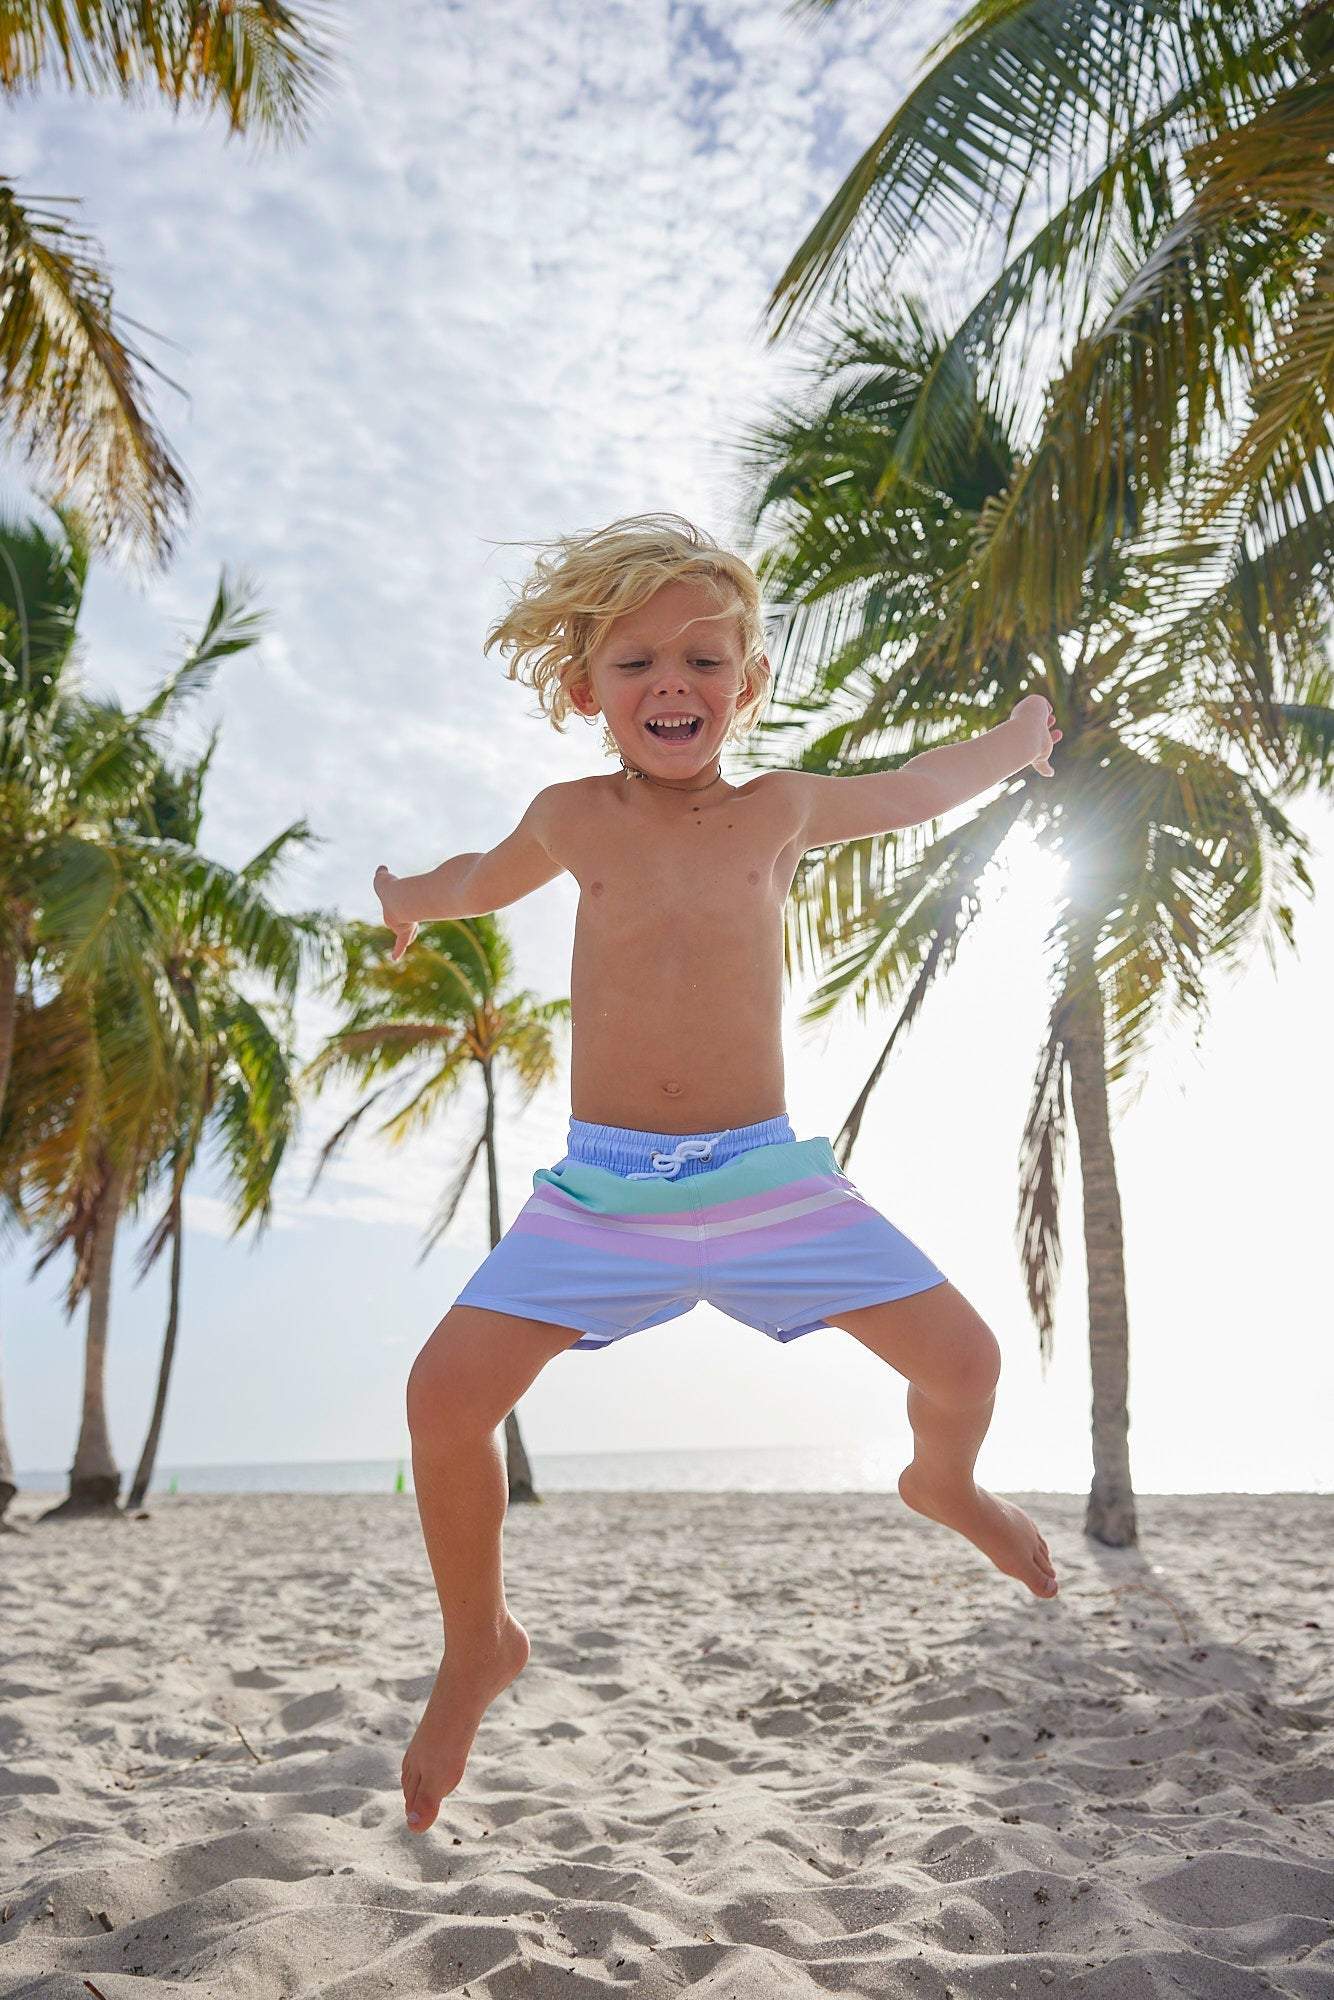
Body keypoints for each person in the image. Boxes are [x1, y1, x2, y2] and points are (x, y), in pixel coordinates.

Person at [375, 512, 1063, 1835]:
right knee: (440, 1401)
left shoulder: (782, 808)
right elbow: (475, 880)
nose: (669, 686)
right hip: (605, 1198)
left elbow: (914, 786)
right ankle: (478, 1644)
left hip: (762, 1183)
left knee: (964, 1367)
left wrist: (1012, 745)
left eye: (701, 660)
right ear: (585, 689)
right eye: (633, 665)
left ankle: (943, 1484)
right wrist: (406, 894)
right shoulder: (571, 818)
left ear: (747, 684)